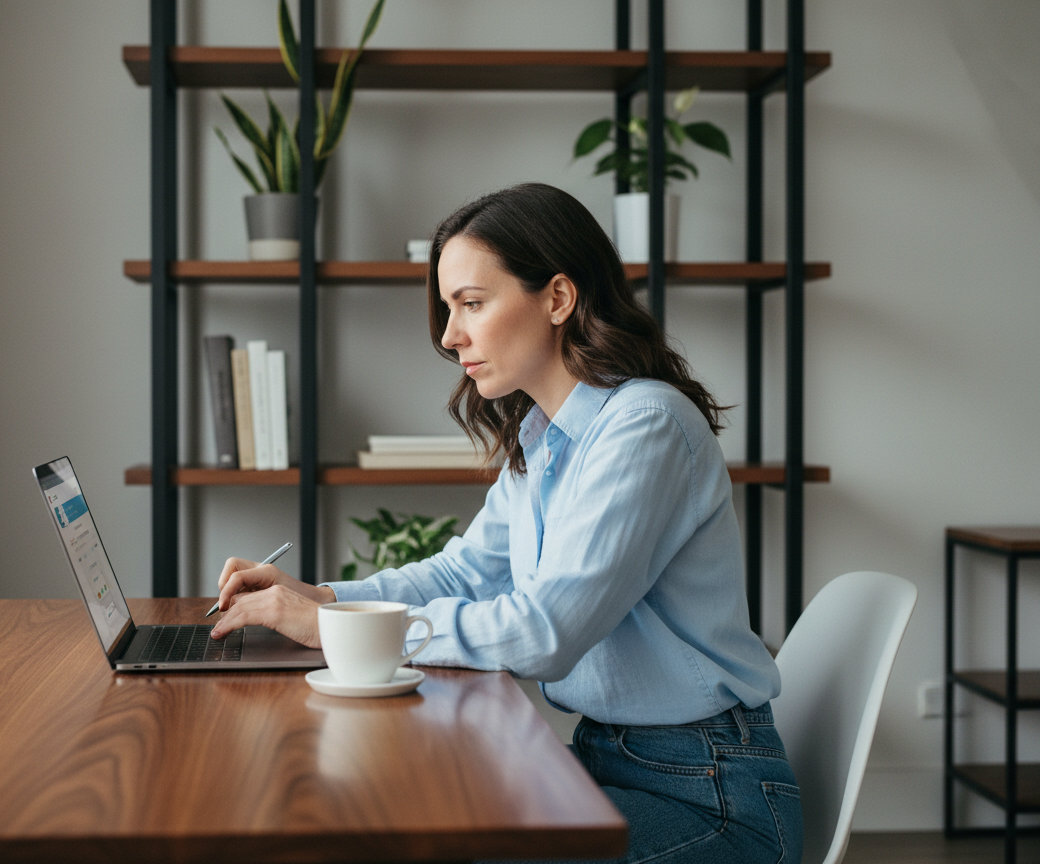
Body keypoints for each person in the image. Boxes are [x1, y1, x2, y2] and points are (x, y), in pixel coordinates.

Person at [209, 183, 804, 864]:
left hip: (710, 798)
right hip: (610, 761)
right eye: (448, 308)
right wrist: (324, 599)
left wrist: (337, 632)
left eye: (471, 303)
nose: (448, 334)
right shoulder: (545, 433)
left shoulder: (646, 426)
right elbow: (466, 569)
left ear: (557, 298)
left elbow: (544, 632)